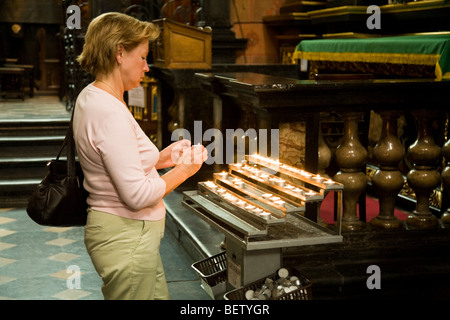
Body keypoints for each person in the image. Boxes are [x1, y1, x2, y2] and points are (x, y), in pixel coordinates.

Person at [73, 12, 208, 300]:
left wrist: (161, 159)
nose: (147, 67)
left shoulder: (93, 95)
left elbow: (112, 160)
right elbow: (136, 195)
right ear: (119, 52)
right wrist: (184, 170)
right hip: (126, 238)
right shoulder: (108, 111)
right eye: (143, 57)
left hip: (129, 238)